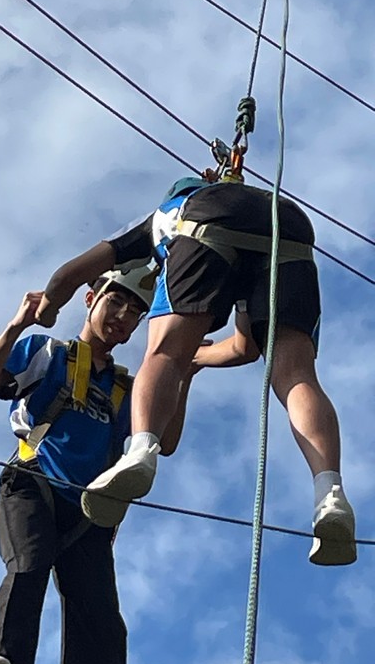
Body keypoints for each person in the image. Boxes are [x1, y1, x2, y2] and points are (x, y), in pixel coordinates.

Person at [35, 176, 357, 567]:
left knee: (164, 352)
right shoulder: (248, 206)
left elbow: (66, 277)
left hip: (208, 223)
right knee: (296, 377)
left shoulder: (164, 215)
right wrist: (198, 358)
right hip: (289, 226)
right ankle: (330, 493)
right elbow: (244, 348)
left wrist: (48, 308)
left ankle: (140, 452)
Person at [0, 269, 171, 664]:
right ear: (90, 299)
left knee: (101, 618)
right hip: (32, 482)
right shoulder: (50, 353)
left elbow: (164, 439)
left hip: (88, 513)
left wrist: (178, 370)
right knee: (29, 563)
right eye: (115, 303)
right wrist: (17, 324)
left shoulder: (128, 388)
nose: (122, 317)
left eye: (134, 313)